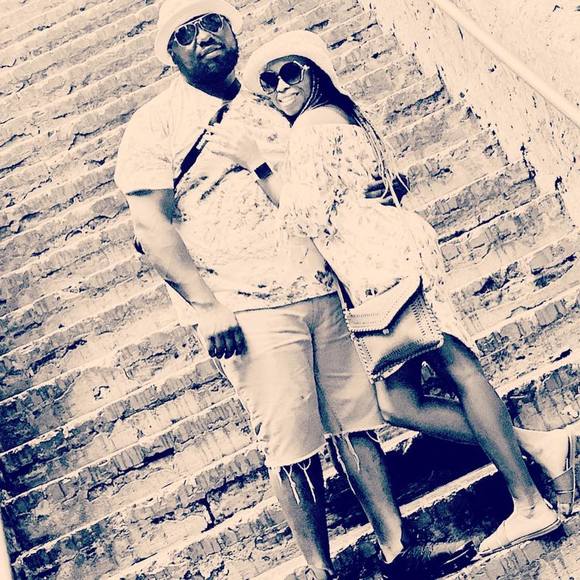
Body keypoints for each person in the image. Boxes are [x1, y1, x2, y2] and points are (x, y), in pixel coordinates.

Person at [114, 2, 477, 578]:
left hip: (322, 284)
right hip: (246, 303)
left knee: (356, 421)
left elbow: (322, 171)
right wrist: (207, 307)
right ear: (170, 54)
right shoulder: (156, 123)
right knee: (291, 440)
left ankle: (397, 547)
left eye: (212, 23)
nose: (203, 36)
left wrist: (367, 194)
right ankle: (319, 570)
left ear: (232, 30)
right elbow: (151, 225)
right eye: (185, 33)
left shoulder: (273, 94)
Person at [206, 29, 577, 560]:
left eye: (291, 72)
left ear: (315, 73)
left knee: (457, 369)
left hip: (381, 263)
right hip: (383, 259)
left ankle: (529, 502)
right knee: (394, 401)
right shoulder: (341, 118)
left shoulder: (310, 127)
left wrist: (258, 164)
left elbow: (309, 215)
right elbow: (377, 183)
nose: (281, 86)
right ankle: (539, 446)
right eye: (269, 80)